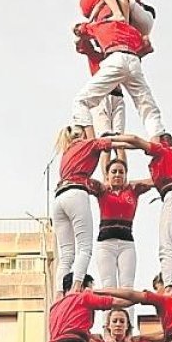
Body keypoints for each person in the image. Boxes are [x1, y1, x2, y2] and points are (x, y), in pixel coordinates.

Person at [110, 133, 172, 296]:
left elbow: (135, 141)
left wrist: (113, 140)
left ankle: (170, 287)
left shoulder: (163, 150)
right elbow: (148, 182)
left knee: (167, 248)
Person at [71, 15, 166, 140]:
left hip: (115, 58)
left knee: (80, 100)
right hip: (133, 60)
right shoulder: (132, 30)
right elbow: (147, 47)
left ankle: (90, 140)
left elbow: (78, 30)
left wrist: (83, 26)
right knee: (146, 104)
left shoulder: (100, 25)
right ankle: (158, 136)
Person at [52, 127, 113, 296]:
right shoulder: (87, 144)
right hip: (76, 194)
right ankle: (75, 288)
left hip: (59, 197)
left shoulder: (67, 152)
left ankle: (58, 294)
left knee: (66, 255)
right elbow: (110, 143)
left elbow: (82, 177)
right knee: (84, 248)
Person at [92, 159, 153, 289]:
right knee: (108, 286)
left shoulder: (133, 190)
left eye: (121, 172)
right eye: (114, 172)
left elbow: (154, 181)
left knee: (127, 286)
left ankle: (126, 310)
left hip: (127, 244)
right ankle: (109, 310)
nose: (118, 175)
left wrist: (136, 182)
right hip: (105, 244)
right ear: (107, 175)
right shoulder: (102, 191)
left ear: (125, 175)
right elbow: (85, 183)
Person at [77, 0, 126, 144]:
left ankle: (120, 167)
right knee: (105, 138)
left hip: (118, 95)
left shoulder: (115, 54)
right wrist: (91, 25)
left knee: (119, 138)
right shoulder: (95, 54)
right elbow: (81, 42)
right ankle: (106, 167)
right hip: (103, 96)